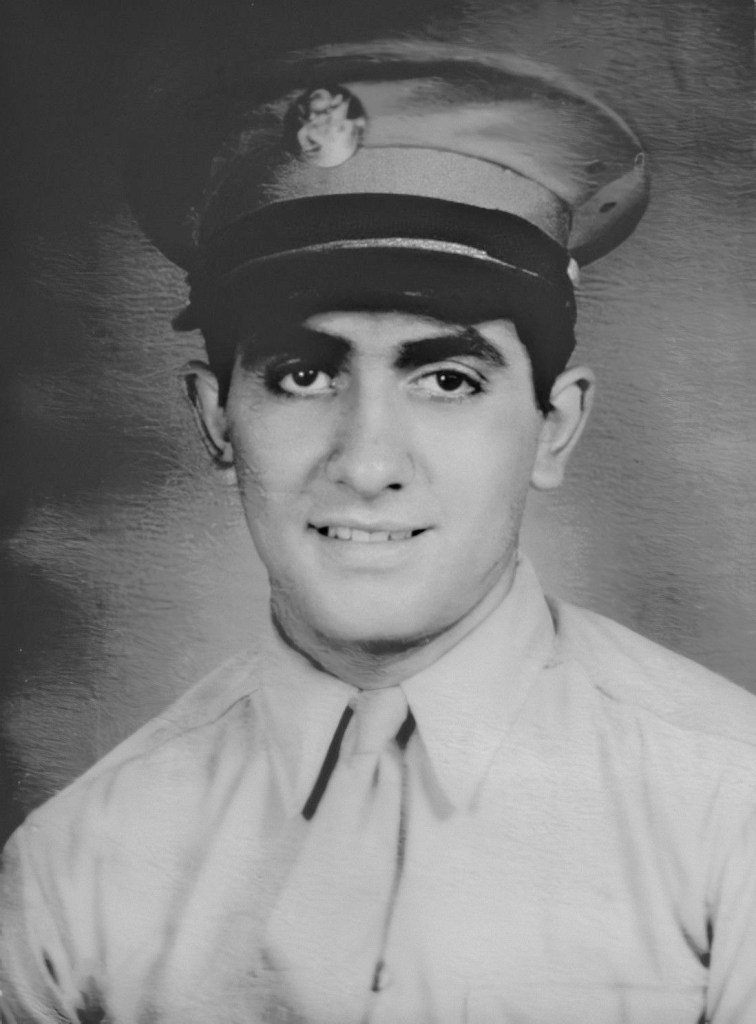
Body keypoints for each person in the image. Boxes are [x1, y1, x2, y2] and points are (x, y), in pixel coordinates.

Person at [1, 38, 756, 1024]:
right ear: (217, 420)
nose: (365, 463)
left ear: (554, 426)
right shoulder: (71, 870)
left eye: (446, 378)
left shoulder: (730, 804)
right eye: (303, 374)